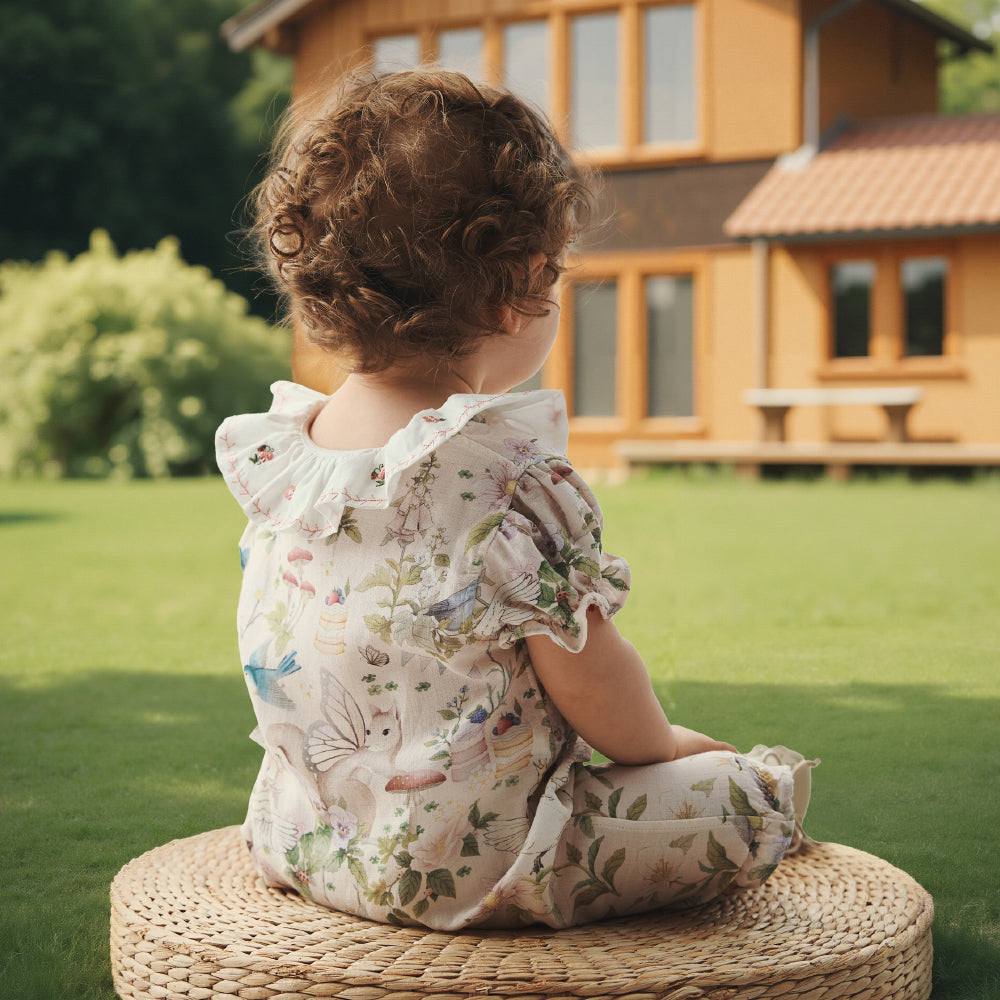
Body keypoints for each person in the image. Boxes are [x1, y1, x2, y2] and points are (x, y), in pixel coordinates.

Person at [215, 68, 815, 930]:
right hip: (483, 863)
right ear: (518, 288)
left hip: (309, 842)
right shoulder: (504, 481)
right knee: (730, 792)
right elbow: (596, 686)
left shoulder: (285, 462)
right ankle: (758, 798)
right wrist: (665, 750)